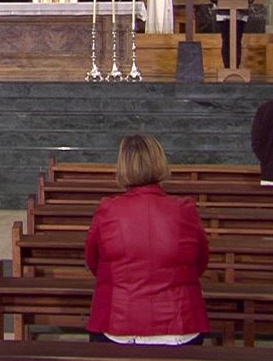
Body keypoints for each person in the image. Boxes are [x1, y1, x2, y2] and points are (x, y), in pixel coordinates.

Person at [85, 134, 210, 346]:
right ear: (160, 161)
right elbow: (200, 262)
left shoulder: (109, 209)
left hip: (119, 323)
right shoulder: (184, 209)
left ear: (123, 166)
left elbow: (93, 261)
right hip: (178, 324)